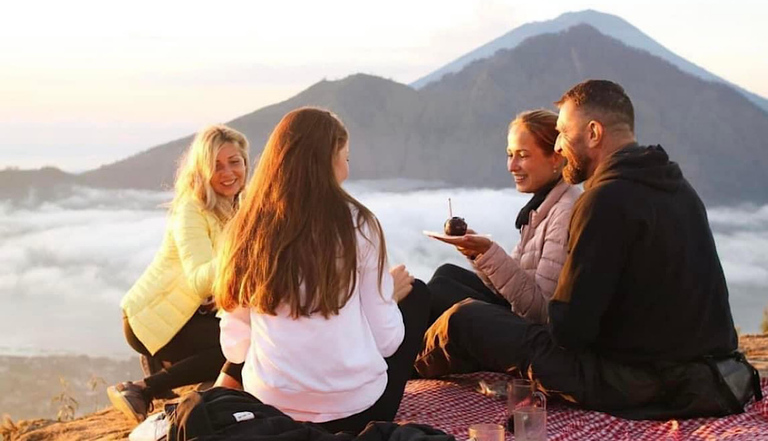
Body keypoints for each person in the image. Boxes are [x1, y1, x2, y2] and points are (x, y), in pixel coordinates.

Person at [416, 80, 760, 419]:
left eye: (564, 133)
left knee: (465, 320)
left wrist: (508, 327)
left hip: (640, 380)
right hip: (703, 374)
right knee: (463, 298)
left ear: (594, 133)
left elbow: (569, 332)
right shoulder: (677, 187)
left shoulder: (605, 201)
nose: (560, 146)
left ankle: (398, 377)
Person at [214, 107, 430, 434]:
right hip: (357, 411)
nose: (346, 167)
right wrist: (386, 295)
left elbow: (235, 348)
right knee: (419, 294)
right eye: (345, 157)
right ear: (328, 160)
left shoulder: (246, 226)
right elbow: (388, 342)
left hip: (272, 408)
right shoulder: (359, 224)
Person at [107, 125, 249, 423]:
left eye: (234, 162)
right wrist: (242, 255)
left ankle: (196, 389)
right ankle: (141, 390)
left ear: (245, 163)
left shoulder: (237, 207)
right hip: (152, 319)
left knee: (251, 334)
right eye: (216, 166)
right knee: (238, 345)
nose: (228, 172)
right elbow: (201, 280)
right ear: (201, 171)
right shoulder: (192, 209)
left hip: (193, 314)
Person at [426, 109, 580, 325]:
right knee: (446, 274)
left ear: (555, 158)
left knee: (441, 292)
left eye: (523, 155)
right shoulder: (540, 208)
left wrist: (489, 251)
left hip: (537, 336)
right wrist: (478, 253)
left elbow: (542, 311)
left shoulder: (563, 213)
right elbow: (509, 288)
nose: (512, 166)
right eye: (510, 155)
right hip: (520, 313)